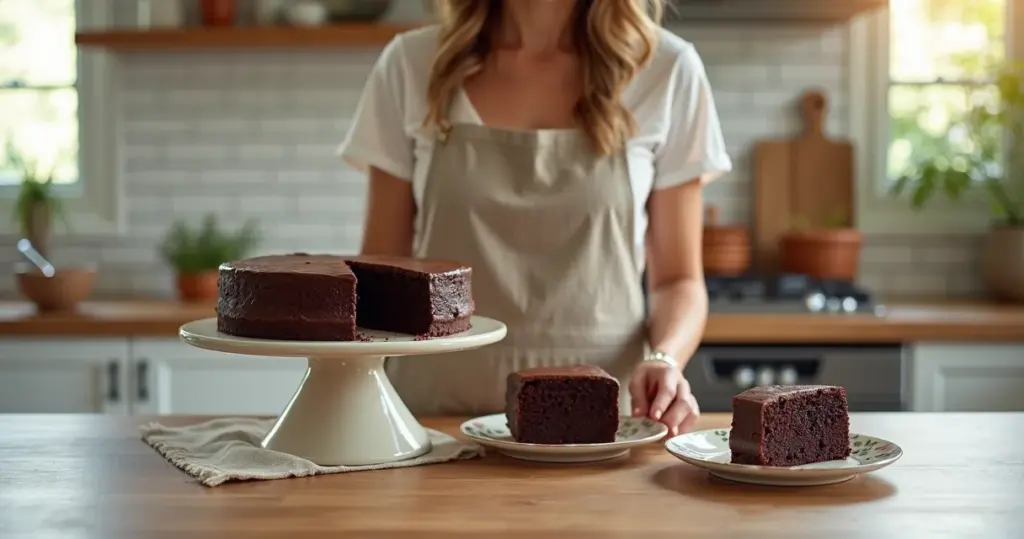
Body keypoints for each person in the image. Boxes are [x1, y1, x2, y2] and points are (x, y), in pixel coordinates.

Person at [338, 0, 731, 436]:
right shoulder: (411, 65)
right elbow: (380, 278)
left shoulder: (667, 70)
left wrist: (666, 358)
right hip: (430, 424)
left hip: (600, 430)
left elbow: (678, 281)